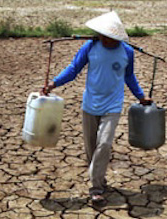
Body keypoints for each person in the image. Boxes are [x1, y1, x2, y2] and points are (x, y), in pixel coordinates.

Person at [42, 11, 151, 206]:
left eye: (109, 36)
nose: (105, 39)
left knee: (104, 144)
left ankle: (96, 189)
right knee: (91, 148)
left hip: (113, 105)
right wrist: (54, 83)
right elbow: (74, 69)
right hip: (90, 104)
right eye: (102, 35)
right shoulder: (90, 46)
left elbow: (129, 77)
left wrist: (141, 96)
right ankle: (100, 179)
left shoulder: (127, 52)